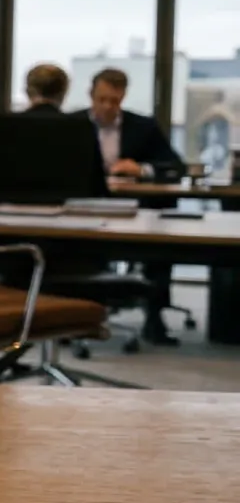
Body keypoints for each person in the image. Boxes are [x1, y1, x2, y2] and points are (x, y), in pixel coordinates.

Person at [75, 67, 184, 344]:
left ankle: (154, 317)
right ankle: (77, 316)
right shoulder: (72, 124)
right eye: (102, 100)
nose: (108, 107)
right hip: (85, 208)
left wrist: (141, 168)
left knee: (160, 244)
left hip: (135, 208)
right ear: (91, 95)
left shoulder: (142, 126)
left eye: (115, 101)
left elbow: (175, 165)